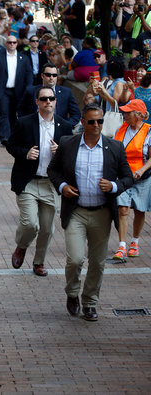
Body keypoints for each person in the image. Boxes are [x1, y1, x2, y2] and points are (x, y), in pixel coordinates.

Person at [48, 103, 133, 321]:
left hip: (102, 212)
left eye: (100, 121)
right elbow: (53, 170)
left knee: (97, 262)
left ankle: (90, 302)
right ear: (83, 122)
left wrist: (113, 187)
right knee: (75, 259)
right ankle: (72, 293)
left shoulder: (114, 147)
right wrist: (62, 187)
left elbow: (127, 177)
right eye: (92, 121)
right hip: (76, 210)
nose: (97, 125)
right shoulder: (69, 143)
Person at [7, 87, 73, 277]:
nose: (48, 102)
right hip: (28, 181)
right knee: (30, 224)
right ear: (37, 102)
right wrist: (25, 153)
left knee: (47, 228)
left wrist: (60, 152)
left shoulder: (65, 126)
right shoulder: (24, 123)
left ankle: (39, 262)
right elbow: (11, 145)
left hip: (50, 183)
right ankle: (21, 246)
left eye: (51, 98)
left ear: (55, 101)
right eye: (44, 99)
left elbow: (70, 156)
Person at [111, 99, 151, 260]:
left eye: (128, 112)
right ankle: (122, 246)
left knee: (139, 210)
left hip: (143, 176)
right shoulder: (121, 129)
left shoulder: (148, 131)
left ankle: (134, 241)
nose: (124, 115)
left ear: (138, 115)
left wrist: (142, 170)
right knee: (123, 209)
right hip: (124, 177)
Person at [0, 36, 33, 145]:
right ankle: (5, 137)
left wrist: (28, 88)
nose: (12, 44)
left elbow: (29, 74)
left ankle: (13, 136)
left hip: (18, 91)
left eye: (14, 42)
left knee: (13, 115)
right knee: (4, 113)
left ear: (17, 44)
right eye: (9, 42)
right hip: (3, 90)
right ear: (6, 44)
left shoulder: (23, 59)